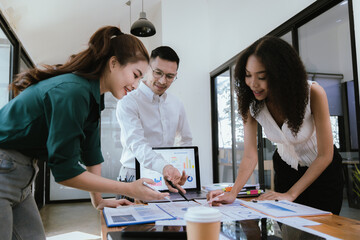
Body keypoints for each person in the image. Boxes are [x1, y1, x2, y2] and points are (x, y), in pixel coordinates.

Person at [0, 26, 170, 240]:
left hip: (22, 174)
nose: (135, 86)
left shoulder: (92, 96)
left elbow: (91, 153)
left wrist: (98, 201)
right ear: (114, 63)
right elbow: (65, 171)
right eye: (135, 75)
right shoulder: (73, 92)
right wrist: (129, 188)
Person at [208, 36, 344, 214]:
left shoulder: (313, 93)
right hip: (286, 170)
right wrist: (233, 192)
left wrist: (291, 194)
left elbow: (326, 155)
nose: (253, 84)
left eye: (262, 77)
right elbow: (250, 155)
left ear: (282, 74)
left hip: (322, 172)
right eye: (248, 75)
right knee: (290, 231)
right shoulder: (252, 105)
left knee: (324, 230)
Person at [116, 46, 192, 193]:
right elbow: (138, 144)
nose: (163, 81)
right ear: (147, 69)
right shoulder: (128, 102)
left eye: (170, 76)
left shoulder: (176, 104)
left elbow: (186, 140)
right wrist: (164, 167)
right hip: (133, 175)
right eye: (158, 73)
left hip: (167, 176)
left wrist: (180, 169)